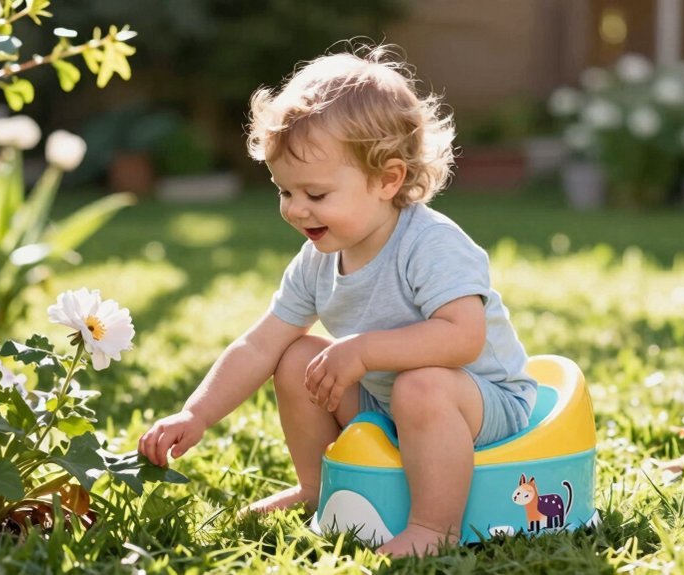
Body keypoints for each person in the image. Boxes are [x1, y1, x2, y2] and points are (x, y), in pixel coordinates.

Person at [137, 43, 537, 557]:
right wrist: (195, 415)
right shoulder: (317, 260)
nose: (295, 210)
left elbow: (463, 338)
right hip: (389, 401)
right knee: (296, 358)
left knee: (421, 384)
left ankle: (434, 528)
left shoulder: (431, 244)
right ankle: (316, 488)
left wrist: (365, 351)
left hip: (481, 403)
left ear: (388, 179)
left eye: (316, 195)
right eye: (285, 192)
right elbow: (259, 346)